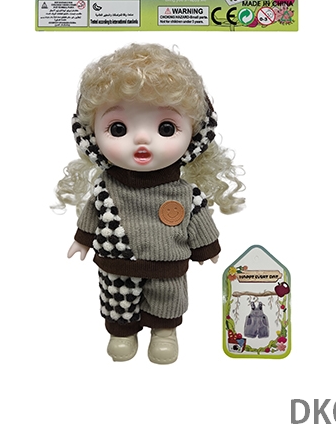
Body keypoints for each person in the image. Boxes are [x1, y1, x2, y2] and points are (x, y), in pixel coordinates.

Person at [54, 43, 244, 363]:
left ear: (195, 135)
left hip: (168, 264)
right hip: (117, 264)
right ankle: (122, 332)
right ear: (91, 136)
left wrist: (207, 248)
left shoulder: (184, 193)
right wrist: (82, 240)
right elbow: (92, 214)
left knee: (168, 299)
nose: (142, 139)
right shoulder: (106, 189)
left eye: (165, 128)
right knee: (117, 301)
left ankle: (164, 332)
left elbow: (198, 219)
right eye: (118, 128)